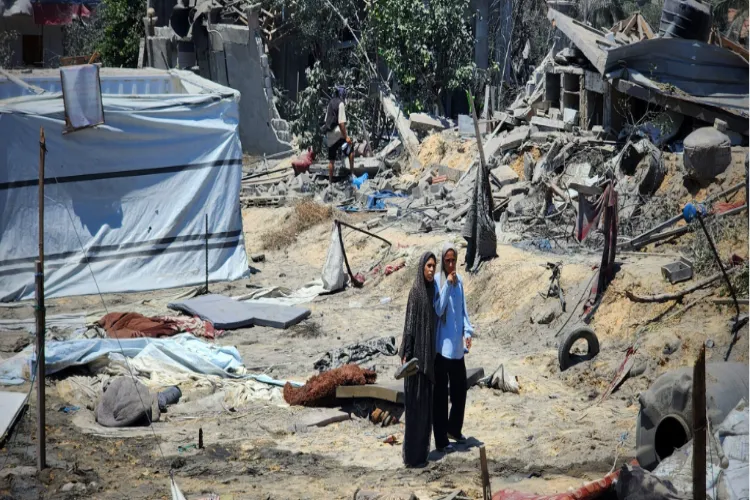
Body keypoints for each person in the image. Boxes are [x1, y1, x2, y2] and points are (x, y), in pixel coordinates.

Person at [433, 242, 474, 453]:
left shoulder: (460, 283)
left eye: (453, 261)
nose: (451, 264)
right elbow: (439, 310)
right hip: (442, 350)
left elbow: (463, 312)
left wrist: (468, 333)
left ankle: (454, 430)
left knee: (460, 393)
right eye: (447, 261)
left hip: (457, 349)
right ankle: (440, 439)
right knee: (441, 397)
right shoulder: (439, 282)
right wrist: (447, 285)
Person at [399, 251, 439, 468]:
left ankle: (422, 455)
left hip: (429, 360)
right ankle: (412, 457)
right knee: (414, 411)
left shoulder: (434, 291)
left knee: (426, 412)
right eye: (429, 266)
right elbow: (409, 326)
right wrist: (406, 352)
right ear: (422, 267)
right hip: (415, 361)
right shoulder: (415, 292)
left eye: (434, 266)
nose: (431, 270)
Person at [323, 86, 354, 186]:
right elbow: (341, 123)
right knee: (350, 150)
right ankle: (352, 174)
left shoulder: (330, 103)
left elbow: (325, 120)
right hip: (338, 133)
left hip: (329, 135)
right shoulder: (341, 104)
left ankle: (330, 182)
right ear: (342, 94)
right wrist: (346, 138)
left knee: (331, 160)